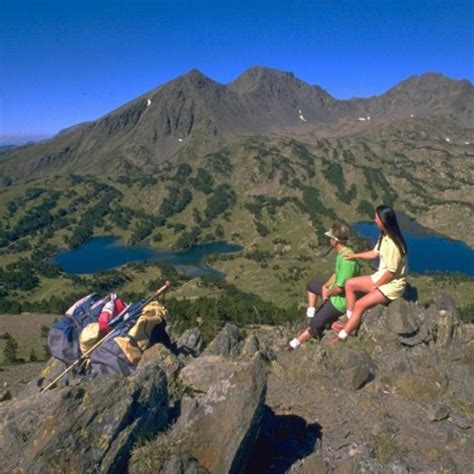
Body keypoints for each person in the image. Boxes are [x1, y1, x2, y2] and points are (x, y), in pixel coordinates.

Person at [331, 205, 408, 343]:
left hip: (392, 285)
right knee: (349, 284)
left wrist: (376, 286)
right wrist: (355, 256)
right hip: (381, 277)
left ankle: (343, 335)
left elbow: (391, 273)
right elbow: (374, 253)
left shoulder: (394, 245)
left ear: (384, 220)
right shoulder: (384, 235)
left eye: (377, 218)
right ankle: (350, 322)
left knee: (360, 304)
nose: (374, 220)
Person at [288, 222, 359, 350]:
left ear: (335, 241)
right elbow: (336, 274)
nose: (329, 240)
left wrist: (327, 293)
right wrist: (325, 287)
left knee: (315, 325)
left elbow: (341, 288)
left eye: (331, 238)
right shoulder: (343, 253)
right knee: (312, 285)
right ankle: (310, 314)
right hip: (334, 292)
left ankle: (294, 344)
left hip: (341, 301)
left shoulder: (347, 260)